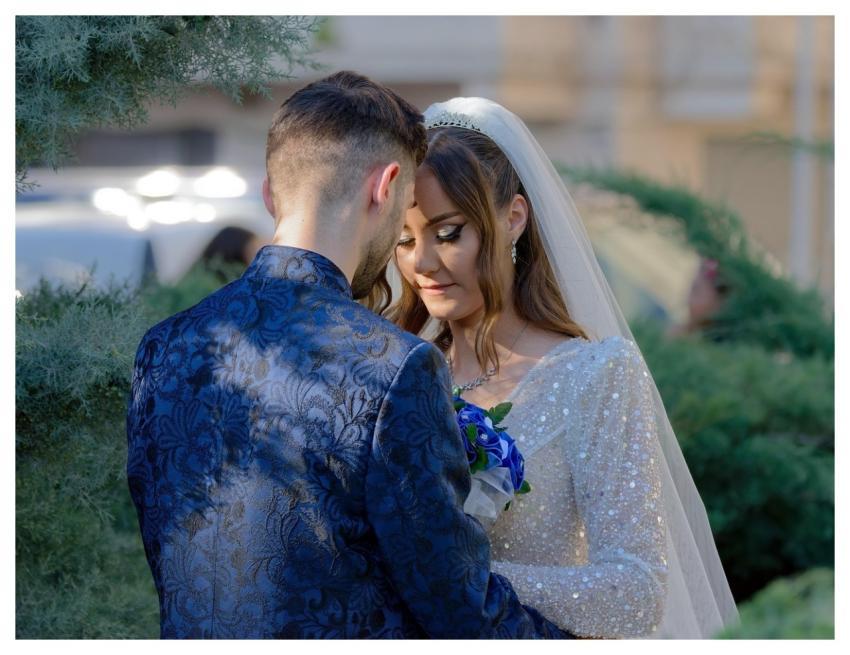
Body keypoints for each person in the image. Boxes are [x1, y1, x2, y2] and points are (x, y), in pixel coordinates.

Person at [125, 72, 571, 639]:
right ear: (386, 188)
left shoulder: (163, 347)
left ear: (270, 193)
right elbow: (458, 606)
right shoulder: (392, 367)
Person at [387, 97, 739, 638]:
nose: (423, 264)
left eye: (449, 233)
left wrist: (465, 577)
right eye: (406, 241)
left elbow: (636, 593)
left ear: (513, 219)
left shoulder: (596, 375)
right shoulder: (395, 370)